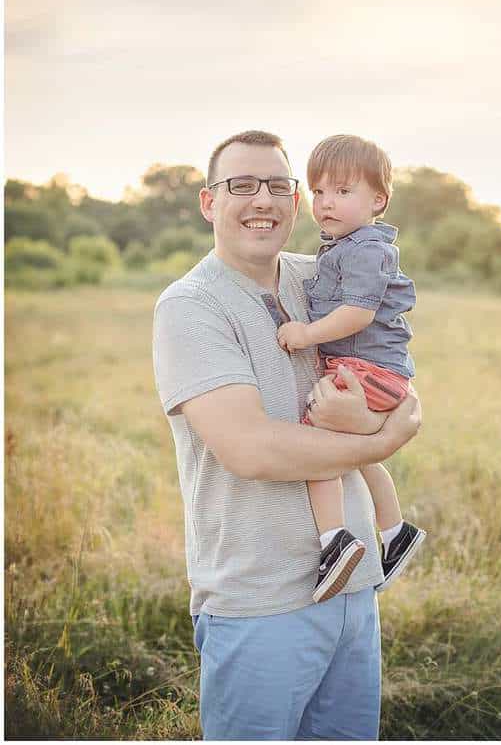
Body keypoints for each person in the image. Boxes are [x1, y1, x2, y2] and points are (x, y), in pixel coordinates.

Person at [152, 130, 423, 741]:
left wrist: (383, 418)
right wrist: (377, 442)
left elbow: (406, 390)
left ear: (296, 202)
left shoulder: (323, 273)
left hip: (355, 592)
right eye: (241, 186)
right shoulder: (191, 306)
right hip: (260, 602)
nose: (262, 200)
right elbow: (251, 450)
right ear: (207, 202)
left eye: (278, 186)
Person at [273, 134, 425, 602]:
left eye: (342, 191)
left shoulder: (365, 249)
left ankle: (334, 541)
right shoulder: (343, 247)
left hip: (367, 369)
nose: (325, 203)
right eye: (318, 192)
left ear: (378, 200)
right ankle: (395, 530)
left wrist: (304, 334)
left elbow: (357, 314)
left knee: (318, 445)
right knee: (353, 450)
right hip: (370, 368)